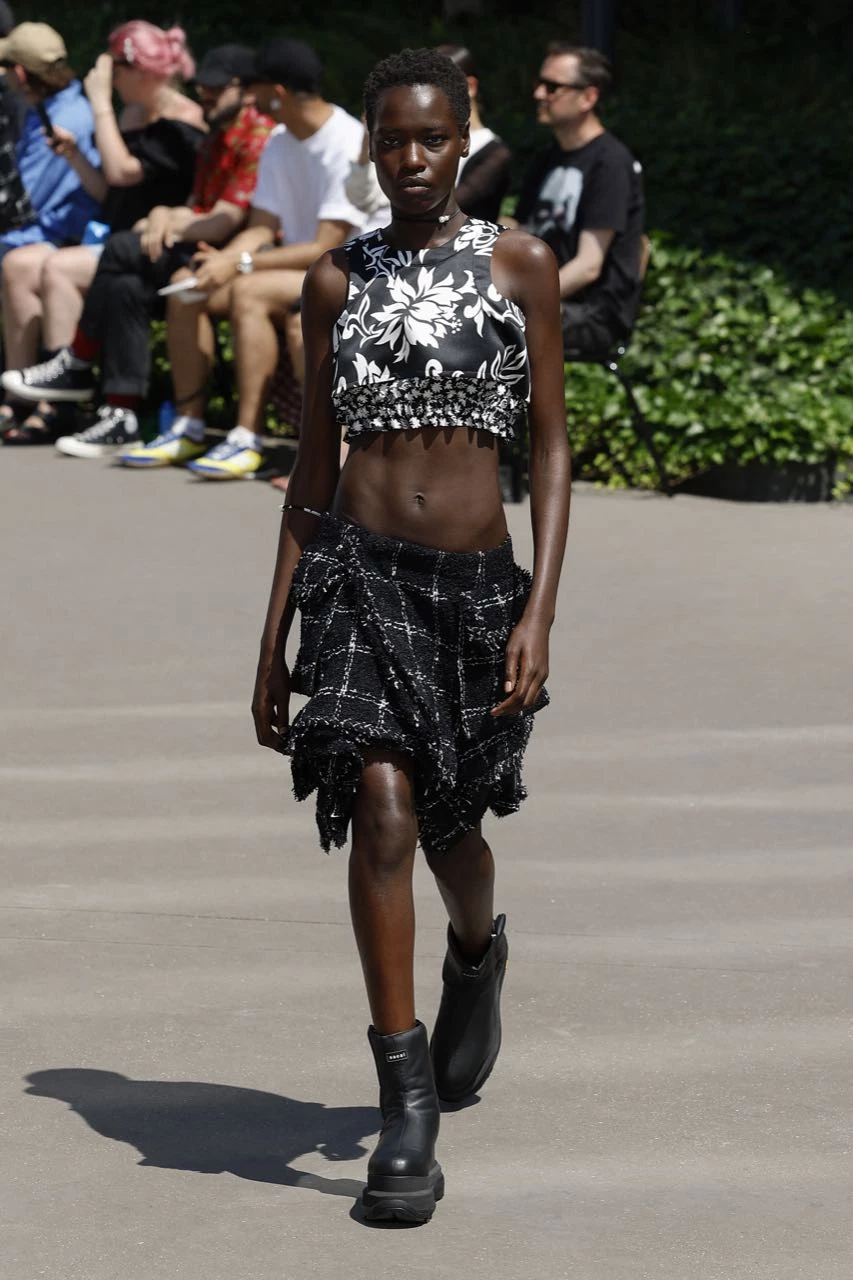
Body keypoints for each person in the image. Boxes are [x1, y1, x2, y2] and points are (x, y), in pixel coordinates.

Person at [251, 48, 570, 1224]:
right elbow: (312, 469)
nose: (410, 160)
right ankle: (404, 1106)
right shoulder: (336, 280)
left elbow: (546, 446)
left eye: (430, 138)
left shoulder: (517, 263)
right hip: (355, 577)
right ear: (371, 146)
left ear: (462, 135)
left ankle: (475, 954)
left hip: (475, 592)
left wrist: (539, 607)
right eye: (390, 140)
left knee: (450, 831)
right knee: (379, 808)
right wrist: (273, 628)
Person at [1, 45, 271, 459]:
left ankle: (77, 361)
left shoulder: (254, 136)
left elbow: (224, 220)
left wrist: (166, 219)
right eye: (204, 87)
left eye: (216, 89)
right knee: (125, 283)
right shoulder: (219, 133)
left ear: (247, 90)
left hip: (223, 253)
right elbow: (194, 204)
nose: (206, 96)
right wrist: (165, 213)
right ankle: (121, 416)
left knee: (121, 248)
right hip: (189, 244)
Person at [118, 38, 365, 481]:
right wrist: (224, 260)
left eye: (255, 90)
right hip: (295, 269)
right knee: (187, 289)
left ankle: (246, 436)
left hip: (347, 270)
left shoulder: (345, 140)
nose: (250, 100)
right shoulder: (278, 140)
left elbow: (325, 246)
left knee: (249, 291)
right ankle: (189, 426)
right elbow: (261, 227)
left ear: (279, 93)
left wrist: (241, 265)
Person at [0, 21, 205, 444]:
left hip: (154, 245)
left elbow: (123, 171)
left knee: (59, 267)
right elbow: (109, 190)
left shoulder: (183, 121)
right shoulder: (131, 113)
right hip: (114, 240)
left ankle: (64, 388)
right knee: (23, 265)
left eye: (115, 69)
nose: (108, 80)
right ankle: (33, 398)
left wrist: (99, 106)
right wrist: (75, 155)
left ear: (142, 71)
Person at [514, 43, 644, 356]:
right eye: (539, 84)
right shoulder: (546, 158)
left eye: (553, 87)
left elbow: (588, 266)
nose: (539, 95)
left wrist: (521, 300)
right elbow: (520, 229)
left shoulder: (610, 164)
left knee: (482, 326)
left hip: (592, 313)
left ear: (588, 97)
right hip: (547, 299)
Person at [436, 44, 512, 222]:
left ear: (470, 86)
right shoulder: (424, 143)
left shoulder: (496, 154)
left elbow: (450, 206)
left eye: (441, 86)